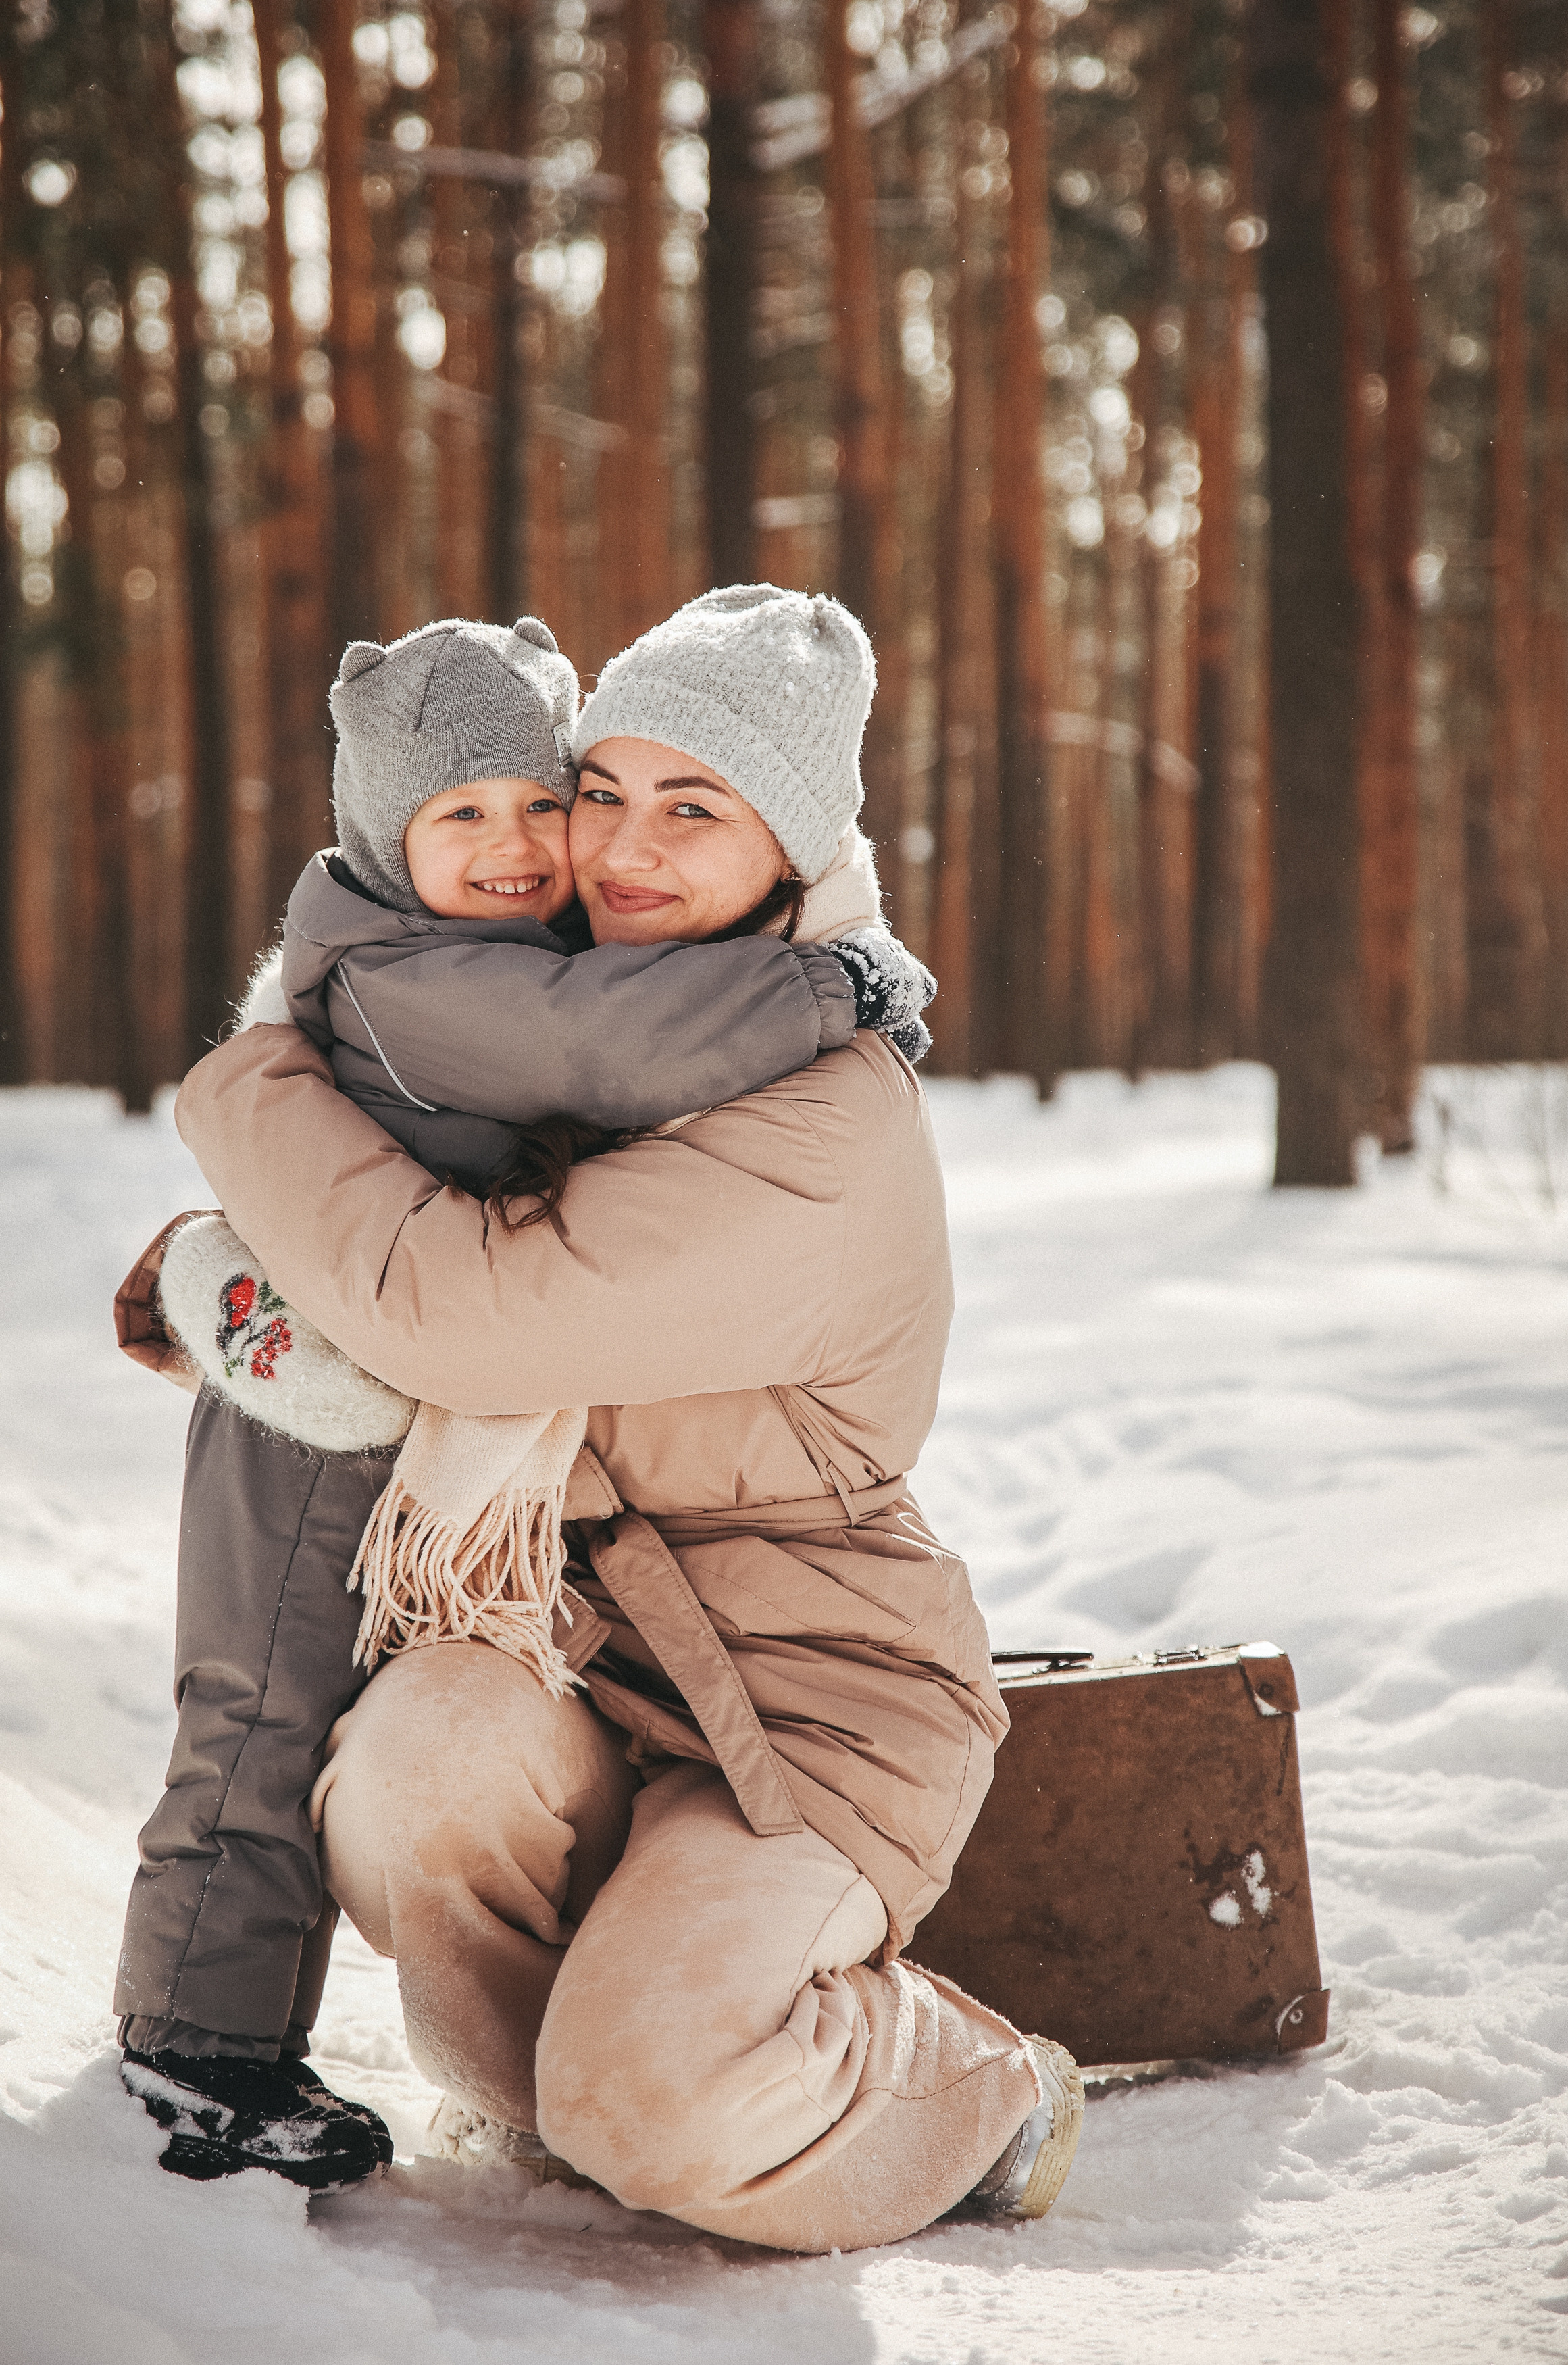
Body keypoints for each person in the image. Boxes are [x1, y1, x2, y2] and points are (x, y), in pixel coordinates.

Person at [165, 584, 1085, 2254]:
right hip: (578, 1658)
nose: (626, 847)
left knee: (656, 2102)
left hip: (805, 1713)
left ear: (791, 843)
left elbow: (453, 1312)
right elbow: (379, 1245)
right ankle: (573, 2081)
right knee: (411, 1773)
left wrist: (248, 1090)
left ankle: (972, 2082)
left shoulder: (817, 1119)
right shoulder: (575, 1034)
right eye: (602, 791)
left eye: (695, 807)